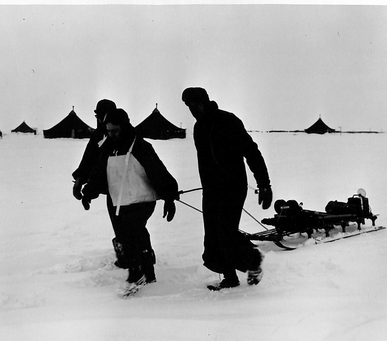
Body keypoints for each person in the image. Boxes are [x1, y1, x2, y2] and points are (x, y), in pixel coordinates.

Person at [181, 87, 273, 291]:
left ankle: (253, 260)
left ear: (203, 102)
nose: (192, 110)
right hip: (211, 190)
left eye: (194, 105)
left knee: (226, 233)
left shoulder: (228, 121)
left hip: (233, 187)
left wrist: (264, 183)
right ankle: (229, 277)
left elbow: (251, 151)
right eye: (188, 106)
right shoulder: (199, 128)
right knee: (212, 239)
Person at [81, 108, 179, 286]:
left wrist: (169, 197)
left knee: (133, 232)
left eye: (115, 130)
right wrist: (89, 192)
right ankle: (147, 274)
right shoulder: (107, 148)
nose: (112, 135)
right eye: (109, 131)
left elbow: (159, 173)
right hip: (119, 200)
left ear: (124, 126)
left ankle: (137, 274)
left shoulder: (141, 146)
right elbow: (98, 174)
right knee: (126, 236)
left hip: (142, 200)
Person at [72, 99, 129, 266]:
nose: (98, 119)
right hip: (110, 188)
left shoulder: (123, 133)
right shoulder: (97, 136)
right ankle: (126, 256)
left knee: (132, 224)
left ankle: (141, 257)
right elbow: (89, 161)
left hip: (129, 188)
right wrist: (80, 181)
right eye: (96, 115)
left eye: (101, 115)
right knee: (118, 222)